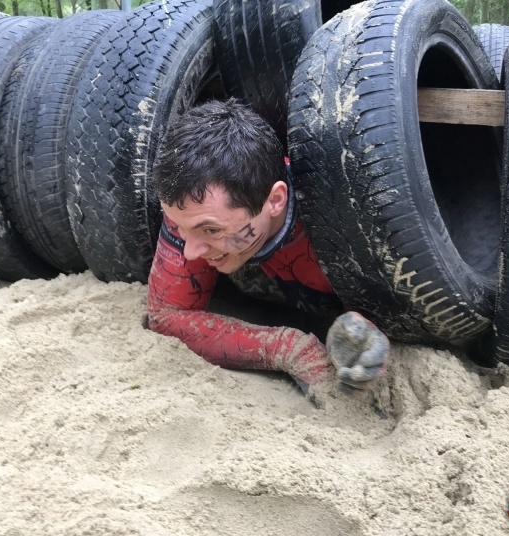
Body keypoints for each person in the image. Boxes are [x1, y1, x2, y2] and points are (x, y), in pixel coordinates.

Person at [146, 99, 390, 393]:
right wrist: (290, 348)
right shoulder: (194, 208)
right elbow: (167, 316)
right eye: (180, 227)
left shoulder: (346, 219)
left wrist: (366, 336)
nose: (190, 251)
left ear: (275, 201)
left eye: (210, 230)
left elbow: (379, 329)